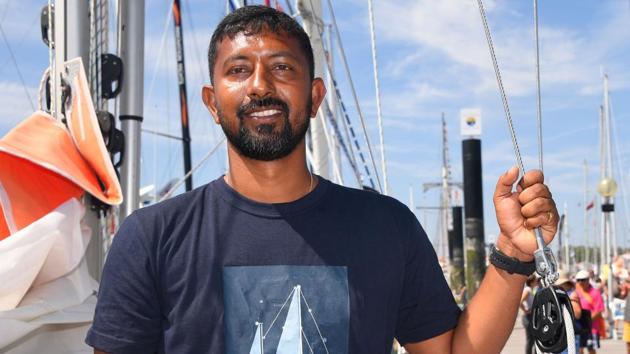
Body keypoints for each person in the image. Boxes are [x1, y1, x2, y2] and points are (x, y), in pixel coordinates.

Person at [85, 6, 559, 354]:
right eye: (238, 70)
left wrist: (514, 252)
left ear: (314, 97)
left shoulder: (386, 226)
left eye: (282, 67)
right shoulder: (152, 237)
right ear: (212, 101)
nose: (260, 86)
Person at [576, 269, 605, 354]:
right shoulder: (576, 292)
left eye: (583, 280)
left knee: (591, 349)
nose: (580, 282)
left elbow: (599, 310)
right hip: (579, 327)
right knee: (579, 349)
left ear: (588, 280)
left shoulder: (595, 293)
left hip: (592, 328)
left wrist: (587, 321)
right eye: (578, 280)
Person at [555, 270, 582, 354]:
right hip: (561, 336)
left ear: (566, 284)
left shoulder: (571, 295)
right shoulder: (561, 294)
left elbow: (577, 314)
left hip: (570, 336)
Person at [520, 275, 538, 354]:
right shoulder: (527, 290)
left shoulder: (530, 290)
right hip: (528, 317)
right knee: (530, 340)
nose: (537, 282)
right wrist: (525, 310)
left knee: (533, 339)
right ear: (532, 282)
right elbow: (520, 301)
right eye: (536, 280)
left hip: (530, 316)